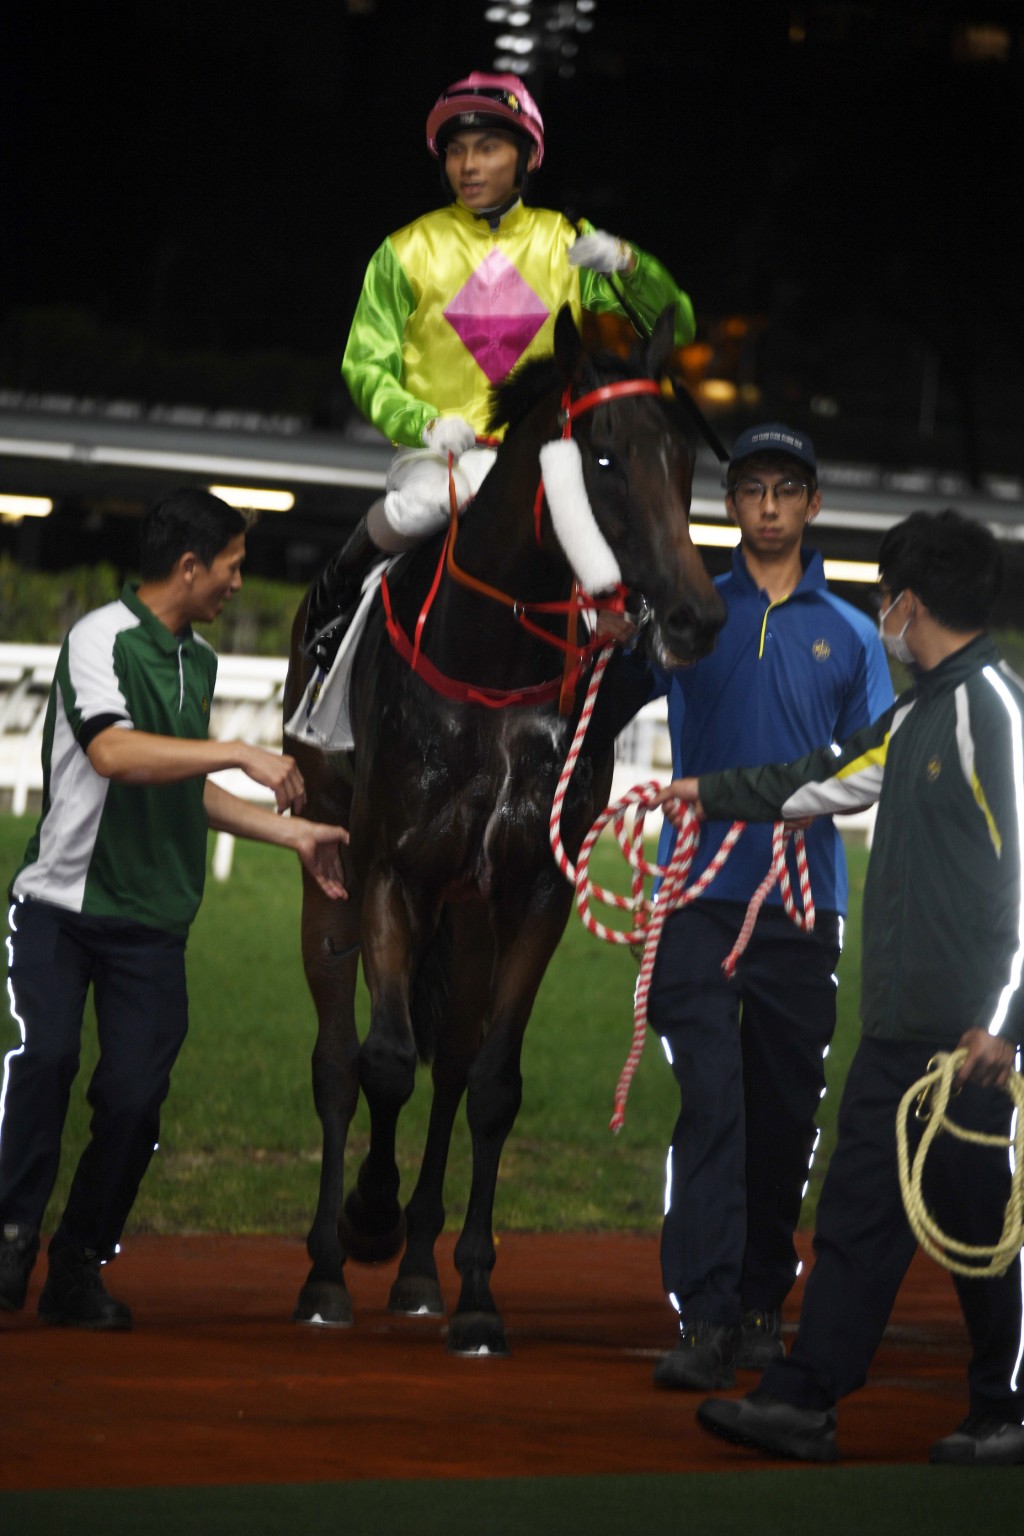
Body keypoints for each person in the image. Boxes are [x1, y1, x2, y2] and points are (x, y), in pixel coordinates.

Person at [655, 509, 1024, 1466]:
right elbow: (820, 779)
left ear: (908, 603)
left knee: (983, 1226)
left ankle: (1006, 1408)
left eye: (883, 600)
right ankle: (806, 1399)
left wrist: (1004, 1027)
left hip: (973, 1048)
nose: (879, 618)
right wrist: (702, 792)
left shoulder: (993, 709)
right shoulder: (914, 714)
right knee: (860, 1212)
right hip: (900, 1034)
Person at [0, 488, 349, 1330]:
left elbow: (178, 788)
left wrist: (288, 834)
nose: (238, 581)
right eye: (231, 566)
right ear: (189, 567)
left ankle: (79, 1262)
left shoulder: (202, 662)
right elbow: (116, 752)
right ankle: (11, 1236)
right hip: (61, 907)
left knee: (133, 1101)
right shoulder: (98, 639)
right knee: (43, 1063)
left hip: (154, 925)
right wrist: (236, 750)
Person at [645, 423, 893, 1392]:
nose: (770, 506)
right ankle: (703, 1314)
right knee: (712, 1099)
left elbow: (867, 767)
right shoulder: (690, 613)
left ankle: (758, 1304)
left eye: (787, 489)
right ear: (730, 504)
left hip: (803, 903)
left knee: (784, 1113)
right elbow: (612, 669)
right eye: (751, 489)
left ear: (813, 504)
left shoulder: (855, 632)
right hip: (695, 892)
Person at [304, 70, 695, 657]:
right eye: (457, 150)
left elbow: (676, 326)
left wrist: (629, 265)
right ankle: (336, 598)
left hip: (547, 457)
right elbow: (365, 366)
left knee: (616, 518)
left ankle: (638, 646)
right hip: (437, 455)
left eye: (488, 148)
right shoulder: (404, 250)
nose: (469, 165)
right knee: (421, 505)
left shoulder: (566, 242)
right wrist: (424, 423)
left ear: (527, 156)